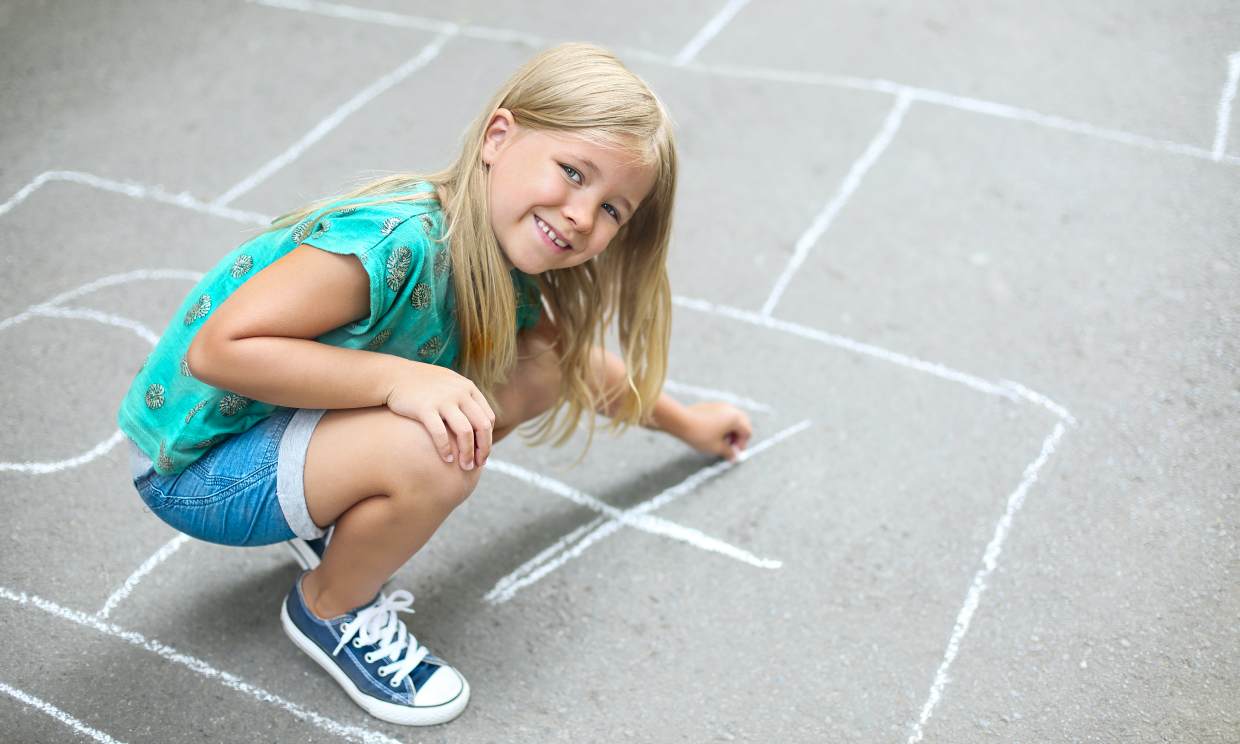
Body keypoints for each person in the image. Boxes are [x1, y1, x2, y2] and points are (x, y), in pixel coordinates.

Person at [117, 42, 752, 727]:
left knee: (538, 365)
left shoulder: (506, 268)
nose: (580, 215)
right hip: (193, 467)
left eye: (612, 210)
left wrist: (686, 423)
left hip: (270, 435)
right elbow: (221, 349)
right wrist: (399, 380)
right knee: (436, 446)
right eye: (572, 172)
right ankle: (330, 606)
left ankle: (346, 526)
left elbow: (577, 372)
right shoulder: (397, 240)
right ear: (498, 137)